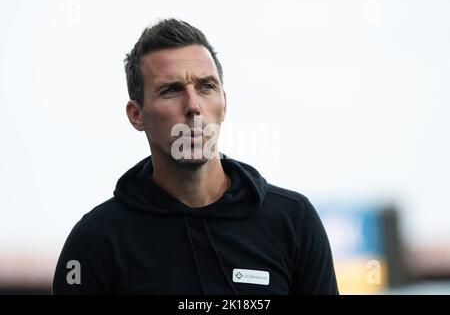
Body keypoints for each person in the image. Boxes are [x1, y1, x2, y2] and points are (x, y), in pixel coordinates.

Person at [53, 18, 339, 295]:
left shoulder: (294, 221)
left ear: (224, 103)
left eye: (206, 86)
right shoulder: (95, 241)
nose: (193, 106)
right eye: (171, 90)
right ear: (136, 114)